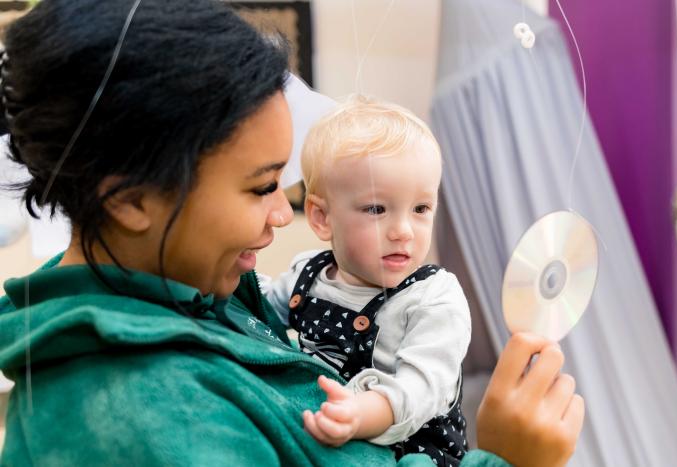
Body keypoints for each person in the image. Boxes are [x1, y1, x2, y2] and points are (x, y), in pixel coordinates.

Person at [0, 1, 584, 466]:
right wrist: (510, 460)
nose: (285, 216)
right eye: (260, 187)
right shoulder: (143, 420)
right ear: (129, 198)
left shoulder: (207, 300)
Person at [261, 96, 471, 466]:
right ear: (322, 217)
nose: (403, 231)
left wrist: (360, 415)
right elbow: (255, 310)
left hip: (416, 449)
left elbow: (421, 389)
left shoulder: (434, 299)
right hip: (328, 432)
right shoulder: (307, 275)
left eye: (421, 209)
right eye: (377, 209)